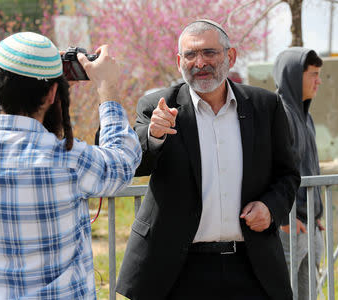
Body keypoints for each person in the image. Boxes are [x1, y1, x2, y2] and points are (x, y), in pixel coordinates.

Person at [0, 32, 141, 299]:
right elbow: (123, 161)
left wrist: (35, 70)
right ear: (52, 94)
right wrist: (107, 88)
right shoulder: (69, 161)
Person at [116, 19, 300, 300]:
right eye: (190, 55)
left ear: (230, 56)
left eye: (209, 52)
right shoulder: (158, 106)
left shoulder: (266, 106)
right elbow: (135, 165)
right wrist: (154, 135)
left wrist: (271, 208)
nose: (199, 62)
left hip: (251, 266)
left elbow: (287, 174)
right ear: (179, 61)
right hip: (175, 269)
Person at [272, 47, 324, 300]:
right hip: (289, 226)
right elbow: (274, 170)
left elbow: (310, 166)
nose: (319, 80)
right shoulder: (278, 115)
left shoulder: (306, 116)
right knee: (284, 290)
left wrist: (317, 211)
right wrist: (283, 217)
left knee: (307, 292)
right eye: (313, 74)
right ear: (293, 76)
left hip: (307, 223)